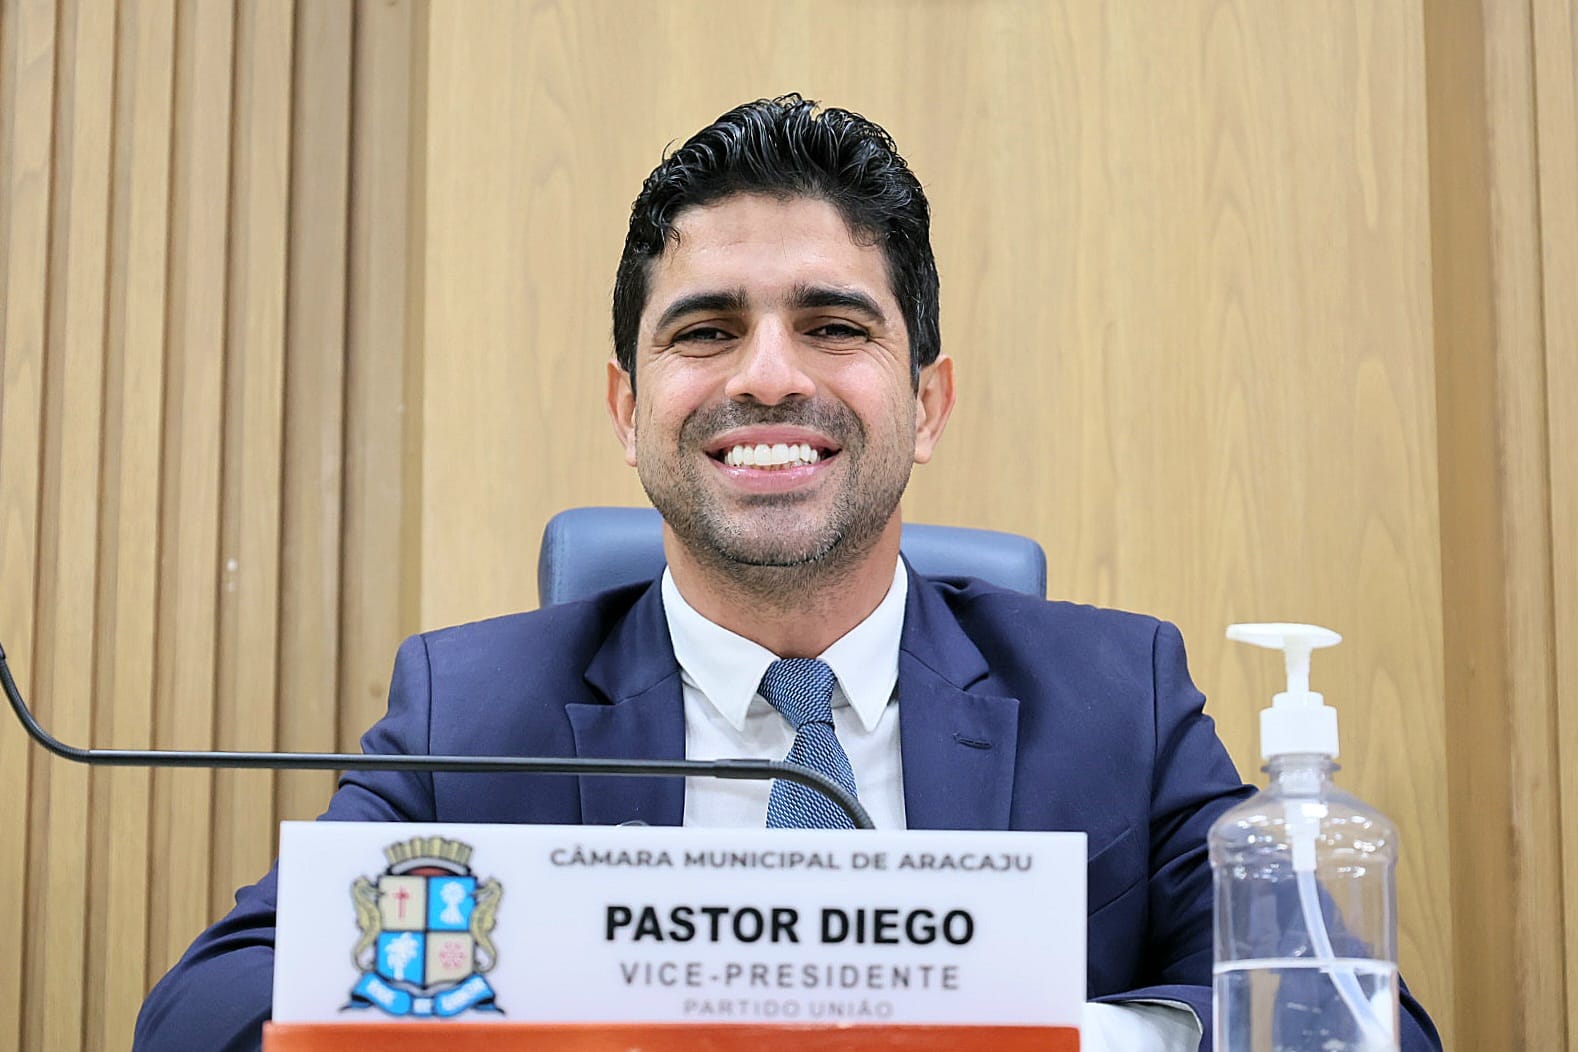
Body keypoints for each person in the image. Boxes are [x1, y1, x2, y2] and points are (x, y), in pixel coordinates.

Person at [135, 95, 1441, 1051]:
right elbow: (203, 1013)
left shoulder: (1117, 702)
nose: (767, 375)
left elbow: (1363, 1020)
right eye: (707, 330)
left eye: (831, 324)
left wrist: (1046, 1033)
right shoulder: (470, 714)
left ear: (927, 403)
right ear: (628, 408)